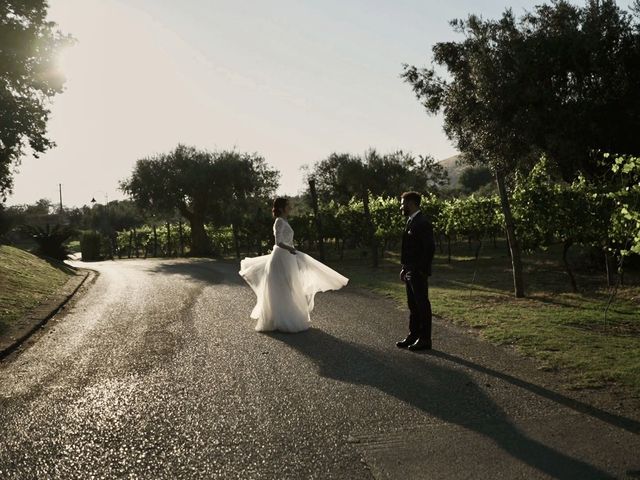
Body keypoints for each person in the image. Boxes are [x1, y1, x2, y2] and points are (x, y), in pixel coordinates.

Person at [239, 197, 348, 333]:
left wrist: (292, 251)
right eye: (287, 205)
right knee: (281, 288)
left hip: (288, 257)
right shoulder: (279, 221)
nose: (290, 207)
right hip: (280, 258)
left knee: (290, 286)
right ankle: (279, 320)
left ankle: (286, 317)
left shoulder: (285, 221)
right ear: (281, 208)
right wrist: (291, 249)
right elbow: (278, 242)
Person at [396, 191, 436, 351]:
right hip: (410, 270)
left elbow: (429, 248)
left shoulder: (422, 222)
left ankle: (425, 339)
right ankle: (413, 335)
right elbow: (410, 249)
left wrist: (420, 270)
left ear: (411, 204)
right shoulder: (411, 221)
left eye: (402, 203)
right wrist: (404, 268)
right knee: (413, 305)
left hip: (418, 272)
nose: (401, 206)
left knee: (422, 305)